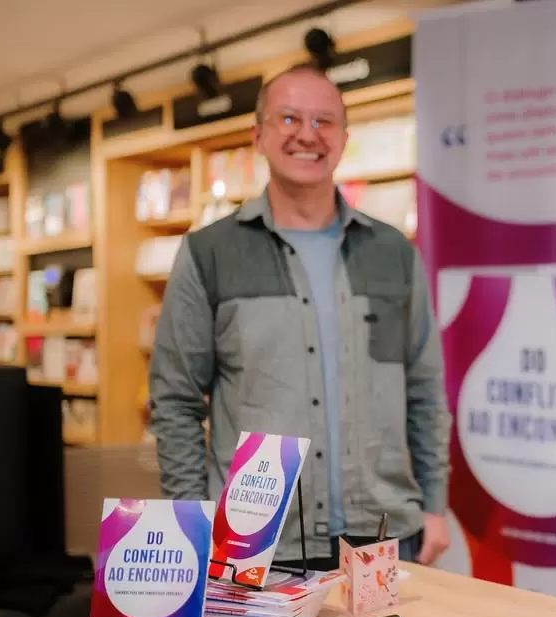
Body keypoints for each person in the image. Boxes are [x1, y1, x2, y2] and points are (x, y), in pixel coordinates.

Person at [149, 63, 452, 572]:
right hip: (258, 543)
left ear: (343, 137)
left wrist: (435, 504)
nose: (307, 135)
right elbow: (176, 401)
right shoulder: (209, 254)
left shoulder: (393, 253)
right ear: (258, 135)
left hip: (383, 537)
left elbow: (424, 387)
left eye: (324, 121)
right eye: (288, 118)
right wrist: (190, 519)